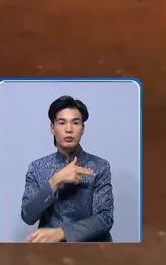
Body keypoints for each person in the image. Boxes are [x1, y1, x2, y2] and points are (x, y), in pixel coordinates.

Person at [20, 95, 114, 243]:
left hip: (92, 250)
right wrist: (55, 181)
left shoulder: (100, 166)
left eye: (75, 123)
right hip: (50, 251)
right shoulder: (37, 168)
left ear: (82, 129)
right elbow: (28, 216)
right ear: (52, 128)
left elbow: (105, 219)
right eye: (62, 122)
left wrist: (63, 233)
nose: (69, 129)